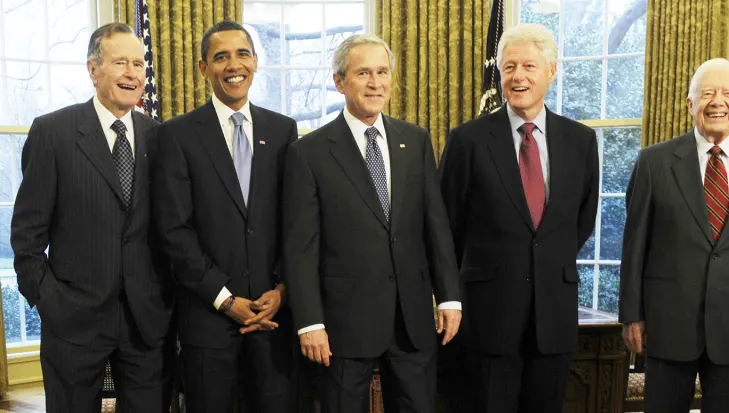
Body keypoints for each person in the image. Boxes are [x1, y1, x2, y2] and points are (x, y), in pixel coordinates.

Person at [282, 34, 462, 413]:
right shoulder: (309, 152)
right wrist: (309, 322)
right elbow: (300, 248)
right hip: (342, 328)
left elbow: (436, 227)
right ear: (339, 81)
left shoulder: (414, 141)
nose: (376, 83)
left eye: (382, 72)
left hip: (411, 322)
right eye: (364, 73)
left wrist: (448, 296)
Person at [437, 23, 599, 413]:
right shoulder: (467, 140)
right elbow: (446, 227)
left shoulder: (580, 141)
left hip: (553, 317)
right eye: (509, 67)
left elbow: (581, 221)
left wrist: (542, 261)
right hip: (488, 319)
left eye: (529, 65)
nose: (518, 76)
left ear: (551, 72)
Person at [10, 23, 172, 412]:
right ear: (93, 69)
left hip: (145, 323)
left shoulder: (160, 137)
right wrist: (49, 301)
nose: (133, 73)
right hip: (73, 322)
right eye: (121, 62)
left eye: (139, 63)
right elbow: (27, 237)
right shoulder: (53, 132)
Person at [619, 58, 729, 413]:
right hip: (668, 325)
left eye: (728, 93)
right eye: (707, 93)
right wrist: (631, 314)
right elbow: (634, 244)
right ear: (690, 103)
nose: (718, 101)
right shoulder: (653, 162)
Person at [152, 20, 297, 412]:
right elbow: (174, 230)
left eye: (242, 54)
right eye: (221, 57)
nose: (234, 65)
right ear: (203, 68)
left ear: (255, 61)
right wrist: (225, 298)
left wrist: (282, 291)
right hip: (208, 322)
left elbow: (296, 223)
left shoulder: (283, 131)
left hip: (273, 321)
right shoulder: (177, 135)